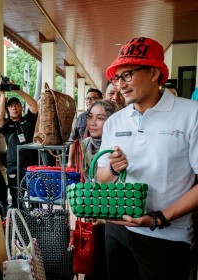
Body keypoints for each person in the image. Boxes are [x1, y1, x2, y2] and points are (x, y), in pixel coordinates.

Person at [97, 37, 198, 280]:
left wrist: (159, 218)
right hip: (117, 230)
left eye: (128, 75)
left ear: (154, 72)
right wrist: (112, 168)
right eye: (117, 78)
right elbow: (101, 178)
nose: (120, 84)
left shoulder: (190, 114)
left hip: (167, 238)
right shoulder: (115, 121)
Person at [77, 99, 122, 280]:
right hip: (93, 212)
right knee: (93, 260)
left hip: (114, 214)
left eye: (100, 118)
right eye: (90, 117)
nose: (93, 123)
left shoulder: (118, 146)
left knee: (108, 261)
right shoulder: (86, 143)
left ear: (112, 121)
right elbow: (87, 177)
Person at [0, 86, 38, 208]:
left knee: (34, 198)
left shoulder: (28, 120)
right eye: (10, 106)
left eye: (17, 104)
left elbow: (34, 105)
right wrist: (2, 95)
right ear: (7, 109)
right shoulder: (6, 125)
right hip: (14, 167)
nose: (14, 107)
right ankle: (18, 223)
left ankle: (35, 223)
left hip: (32, 166)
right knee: (16, 199)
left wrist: (16, 89)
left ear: (21, 107)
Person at [67, 88, 103, 168]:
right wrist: (70, 161)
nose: (89, 100)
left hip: (102, 158)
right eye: (88, 98)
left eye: (93, 98)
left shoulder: (106, 116)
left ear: (101, 100)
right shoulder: (80, 118)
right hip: (84, 160)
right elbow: (73, 139)